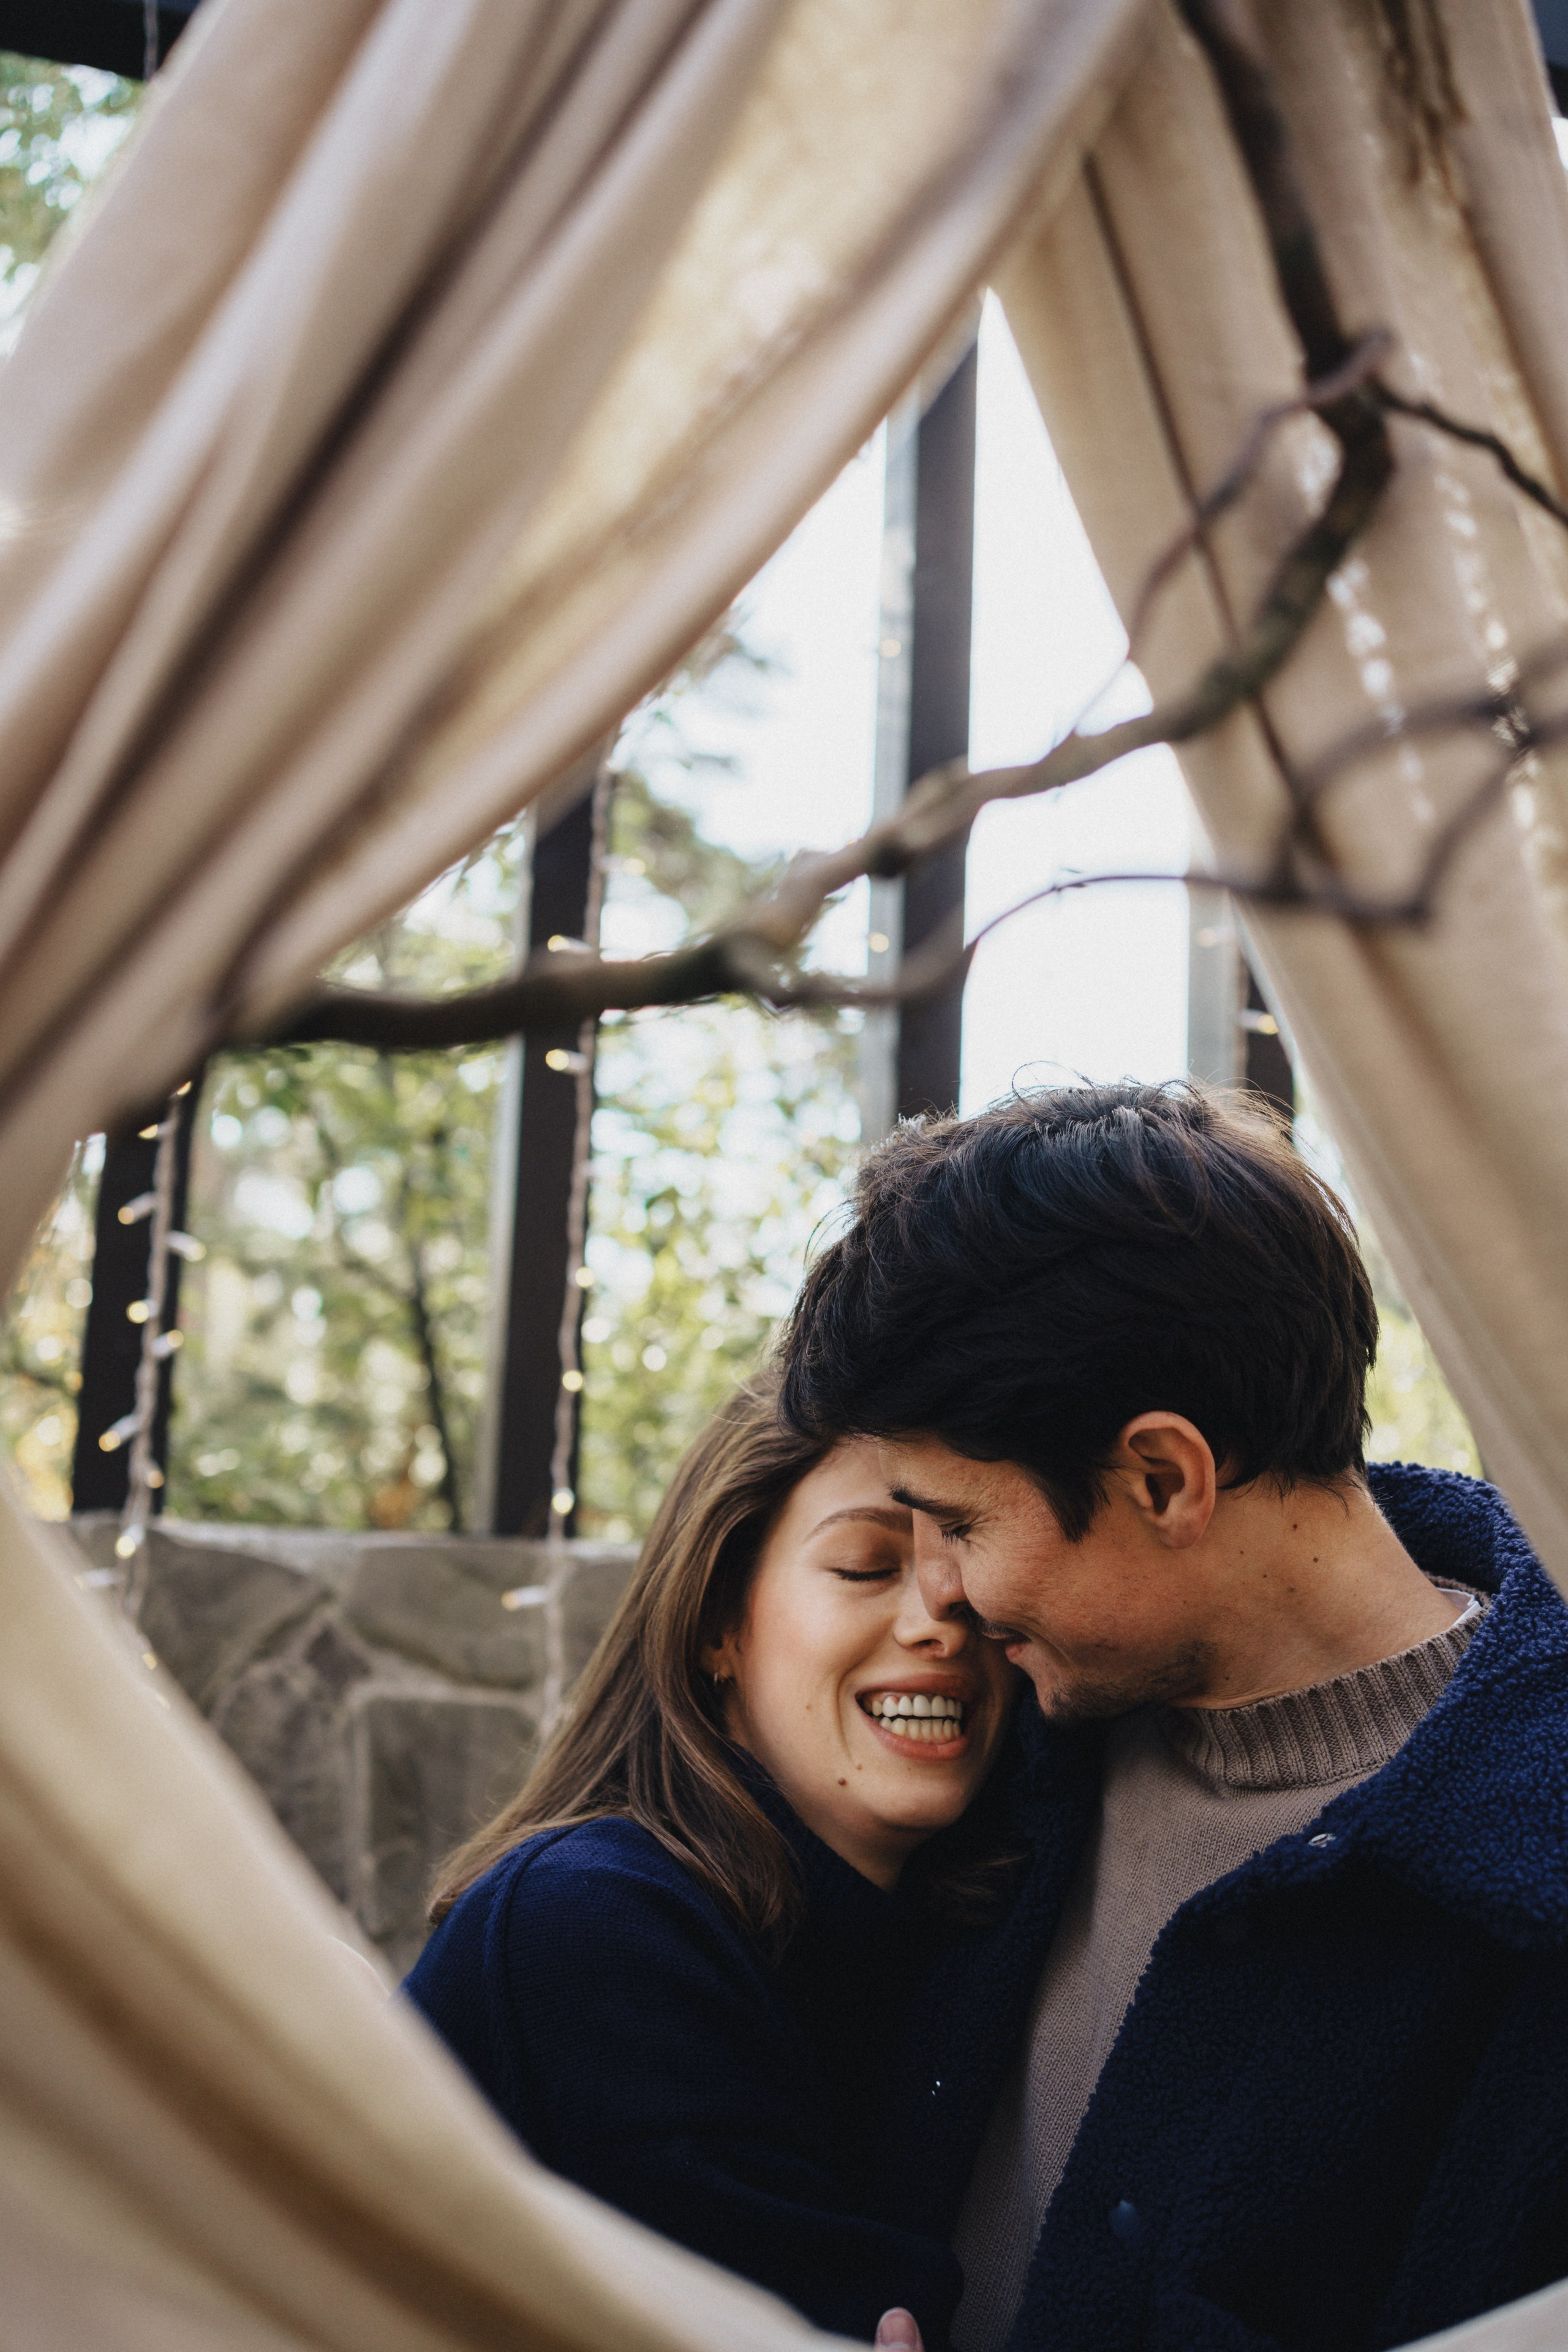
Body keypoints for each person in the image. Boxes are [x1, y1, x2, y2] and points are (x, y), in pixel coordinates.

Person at [777, 1080, 1568, 2352]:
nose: (937, 1593)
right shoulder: (986, 1754)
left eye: (962, 1523)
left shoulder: (1529, 1894)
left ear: (1161, 1476)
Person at [404, 1379, 1020, 2346]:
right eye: (865, 1565)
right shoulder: (589, 1924)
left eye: (968, 1574)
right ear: (715, 1626)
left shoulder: (960, 1947)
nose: (937, 1623)